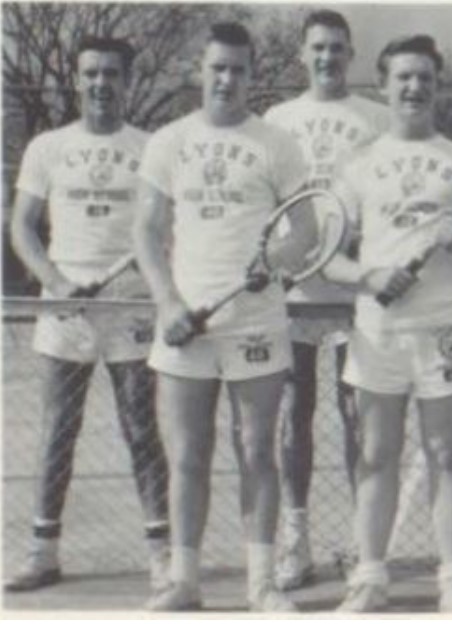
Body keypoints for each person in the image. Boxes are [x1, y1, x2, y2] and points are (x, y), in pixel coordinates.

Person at [322, 34, 452, 613]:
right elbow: (328, 257)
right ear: (383, 85)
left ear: (437, 83)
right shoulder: (358, 166)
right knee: (376, 456)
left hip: (444, 332)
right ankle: (370, 578)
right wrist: (369, 276)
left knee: (448, 455)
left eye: (424, 76)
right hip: (378, 333)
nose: (414, 86)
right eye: (402, 77)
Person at [133, 22, 311, 612]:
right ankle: (185, 581)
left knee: (258, 452)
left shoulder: (277, 144)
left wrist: (274, 262)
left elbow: (306, 232)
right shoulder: (168, 141)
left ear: (252, 75)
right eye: (217, 68)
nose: (227, 79)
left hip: (256, 321)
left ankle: (261, 585)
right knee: (187, 455)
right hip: (186, 327)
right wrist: (168, 304)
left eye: (238, 69)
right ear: (199, 71)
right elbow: (147, 232)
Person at [6, 35, 169, 594]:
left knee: (142, 431)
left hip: (129, 306)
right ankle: (42, 552)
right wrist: (55, 282)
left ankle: (162, 556)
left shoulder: (153, 147)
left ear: (127, 81)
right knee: (57, 431)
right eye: (91, 74)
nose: (101, 84)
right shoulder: (46, 148)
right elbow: (23, 226)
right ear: (77, 80)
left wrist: (141, 278)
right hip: (65, 307)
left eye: (112, 74)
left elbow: (162, 229)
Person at [263, 9, 388, 591]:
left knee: (356, 419)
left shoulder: (377, 119)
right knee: (294, 420)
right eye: (317, 47)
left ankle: (363, 547)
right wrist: (283, 265)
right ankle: (297, 539)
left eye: (337, 48)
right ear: (302, 54)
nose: (327, 57)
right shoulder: (277, 119)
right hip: (294, 295)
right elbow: (268, 211)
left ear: (351, 53)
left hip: (352, 294)